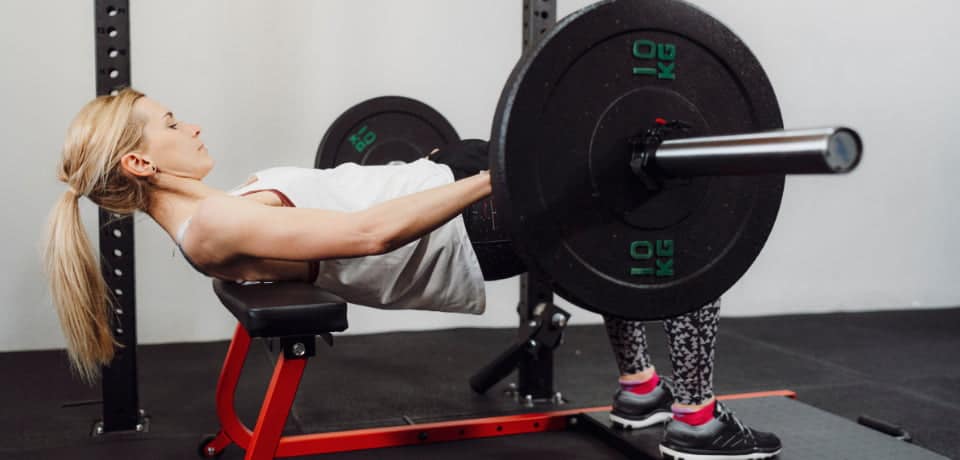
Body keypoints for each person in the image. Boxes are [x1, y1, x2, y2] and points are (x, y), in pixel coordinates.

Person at [43, 88, 780, 459]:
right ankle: (696, 425)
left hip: (448, 194)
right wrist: (503, 176)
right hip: (466, 222)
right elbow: (367, 232)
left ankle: (643, 392)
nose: (190, 126)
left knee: (612, 225)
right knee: (678, 239)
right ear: (140, 163)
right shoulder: (213, 226)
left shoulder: (216, 209)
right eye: (170, 124)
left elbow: (348, 197)